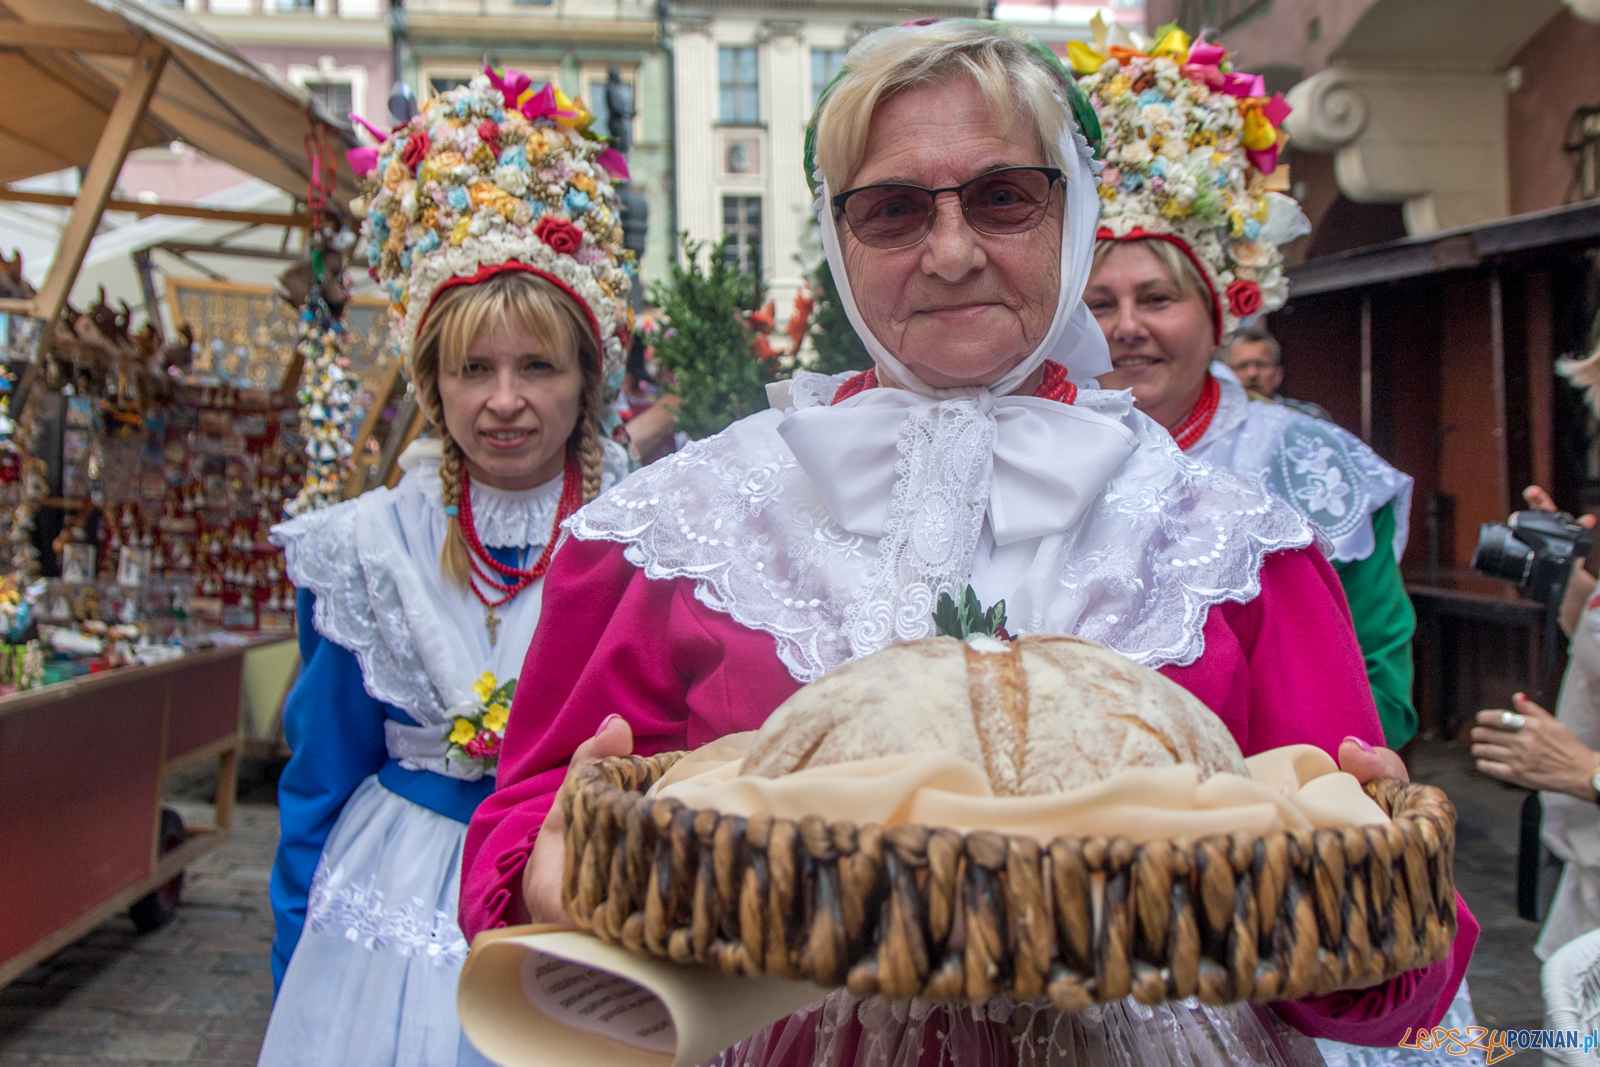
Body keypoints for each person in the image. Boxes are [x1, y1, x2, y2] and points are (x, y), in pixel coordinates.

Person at [461, 21, 1475, 1066]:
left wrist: (1361, 894)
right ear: (835, 232)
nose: (951, 253)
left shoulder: (1231, 541)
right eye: (893, 209)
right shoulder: (674, 528)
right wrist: (554, 870)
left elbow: (1386, 953)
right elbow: (518, 831)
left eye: (1003, 198)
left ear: (1072, 214)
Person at [257, 68, 632, 1066]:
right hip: (396, 908)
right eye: (474, 369)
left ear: (586, 378)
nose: (504, 401)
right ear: (432, 381)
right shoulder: (370, 549)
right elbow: (322, 773)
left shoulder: (643, 538)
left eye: (537, 367)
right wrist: (296, 959)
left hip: (574, 890)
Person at [1081, 41, 1420, 752]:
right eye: (1100, 304)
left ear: (1218, 316)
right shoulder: (1033, 450)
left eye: (1157, 298)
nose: (1129, 328)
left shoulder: (1313, 469)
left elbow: (1380, 692)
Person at [1224, 325, 1332, 422]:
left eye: (1261, 364)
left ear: (1278, 374)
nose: (1252, 373)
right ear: (1225, 373)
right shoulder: (1220, 422)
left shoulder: (1308, 417)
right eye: (1242, 366)